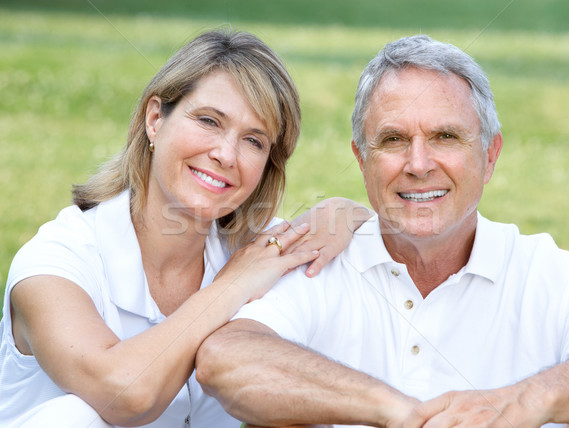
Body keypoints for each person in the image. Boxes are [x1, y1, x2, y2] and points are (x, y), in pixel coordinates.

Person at [196, 35, 569, 427]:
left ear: (489, 155)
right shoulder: (320, 261)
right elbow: (226, 357)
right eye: (393, 139)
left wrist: (525, 403)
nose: (419, 164)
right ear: (362, 158)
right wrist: (397, 411)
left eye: (446, 136)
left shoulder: (550, 276)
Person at [0, 30, 372, 427]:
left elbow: (367, 232)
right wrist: (231, 287)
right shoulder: (55, 261)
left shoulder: (254, 249)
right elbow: (126, 395)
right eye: (209, 121)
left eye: (253, 140)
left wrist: (345, 210)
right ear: (155, 119)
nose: (226, 154)